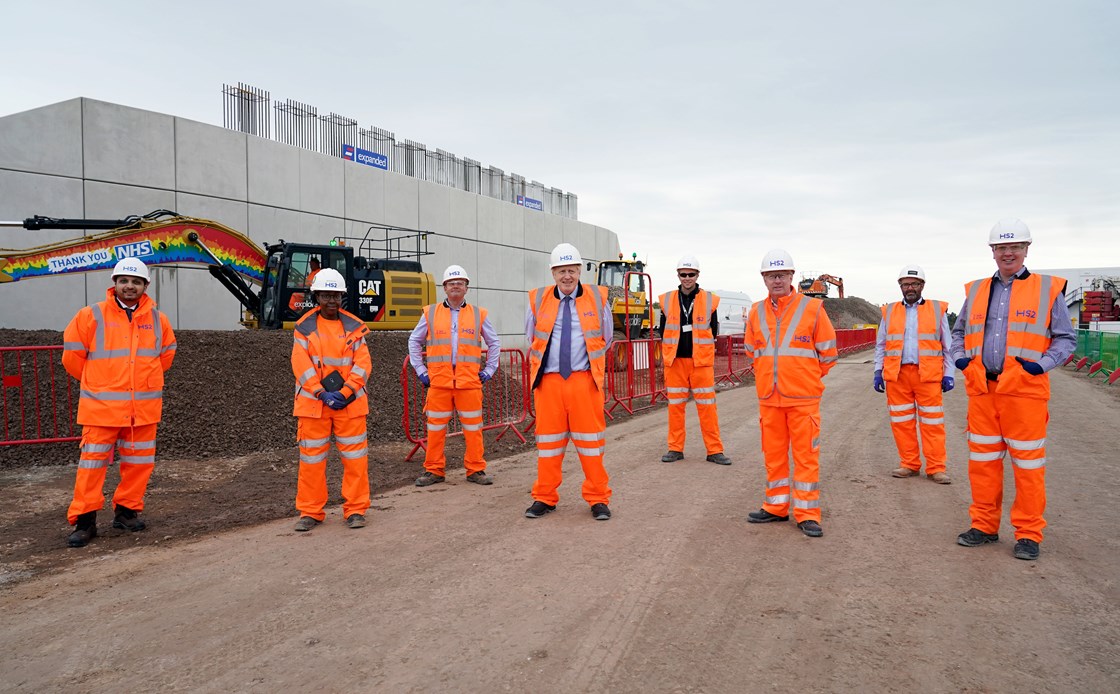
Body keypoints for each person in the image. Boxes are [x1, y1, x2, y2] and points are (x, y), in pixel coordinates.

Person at [950, 219, 1075, 561]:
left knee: (1028, 467)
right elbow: (957, 333)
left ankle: (1029, 534)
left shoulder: (1048, 288)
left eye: (1014, 247)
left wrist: (1041, 365)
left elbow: (1066, 339)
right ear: (992, 252)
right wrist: (961, 360)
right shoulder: (976, 290)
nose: (1008, 253)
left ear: (1026, 250)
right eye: (1001, 248)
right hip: (982, 390)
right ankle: (984, 527)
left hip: (1024, 392)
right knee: (983, 464)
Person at [61, 258, 177, 547]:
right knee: (91, 466)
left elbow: (165, 358)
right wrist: (101, 384)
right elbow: (73, 359)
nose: (129, 286)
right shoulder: (91, 315)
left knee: (139, 465)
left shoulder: (158, 320)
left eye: (136, 281)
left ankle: (127, 512)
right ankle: (85, 521)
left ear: (145, 286)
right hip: (101, 409)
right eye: (124, 280)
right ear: (114, 283)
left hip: (142, 410)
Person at [744, 250, 837, 538]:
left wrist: (805, 379)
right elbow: (752, 352)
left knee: (806, 457)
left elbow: (829, 354)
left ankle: (807, 513)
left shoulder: (812, 309)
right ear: (763, 279)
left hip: (803, 399)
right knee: (773, 456)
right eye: (771, 276)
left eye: (781, 275)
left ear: (791, 277)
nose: (777, 280)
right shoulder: (757, 311)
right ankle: (775, 507)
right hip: (770, 399)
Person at [524, 243, 614, 521]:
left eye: (572, 270)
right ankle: (545, 497)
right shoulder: (538, 299)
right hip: (549, 383)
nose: (567, 276)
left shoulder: (598, 299)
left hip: (584, 382)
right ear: (553, 273)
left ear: (579, 271)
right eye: (561, 271)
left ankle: (598, 498)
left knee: (591, 444)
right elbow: (532, 338)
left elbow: (607, 338)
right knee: (548, 445)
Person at [291, 268, 372, 532]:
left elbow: (363, 365)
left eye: (336, 295)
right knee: (312, 461)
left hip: (349, 405)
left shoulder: (354, 327)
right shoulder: (303, 328)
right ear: (316, 296)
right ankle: (310, 511)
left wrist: (345, 392)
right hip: (314, 405)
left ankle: (356, 509)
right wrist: (320, 392)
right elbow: (300, 365)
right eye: (326, 295)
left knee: (355, 460)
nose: (331, 301)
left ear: (342, 297)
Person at [408, 264, 501, 487]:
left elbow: (494, 343)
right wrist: (421, 370)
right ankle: (434, 470)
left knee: (473, 429)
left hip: (469, 382)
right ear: (445, 288)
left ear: (467, 288)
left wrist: (489, 370)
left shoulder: (479, 314)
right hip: (439, 382)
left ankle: (476, 469)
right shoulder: (430, 313)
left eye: (460, 282)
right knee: (436, 429)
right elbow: (414, 341)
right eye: (452, 283)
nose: (456, 286)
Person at [873, 265, 954, 483]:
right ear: (900, 286)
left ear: (922, 286)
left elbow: (948, 346)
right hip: (897, 376)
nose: (910, 288)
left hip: (927, 375)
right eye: (906, 284)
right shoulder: (889, 311)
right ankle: (909, 464)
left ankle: (936, 467)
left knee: (932, 424)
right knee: (902, 423)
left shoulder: (937, 310)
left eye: (914, 284)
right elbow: (881, 344)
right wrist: (877, 371)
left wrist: (950, 373)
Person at [658, 255, 731, 465]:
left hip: (700, 363)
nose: (687, 278)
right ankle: (675, 448)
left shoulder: (710, 300)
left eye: (691, 274)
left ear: (697, 275)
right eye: (683, 274)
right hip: (676, 362)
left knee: (707, 407)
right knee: (675, 408)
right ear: (678, 275)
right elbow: (664, 330)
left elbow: (713, 330)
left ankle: (715, 450)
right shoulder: (667, 300)